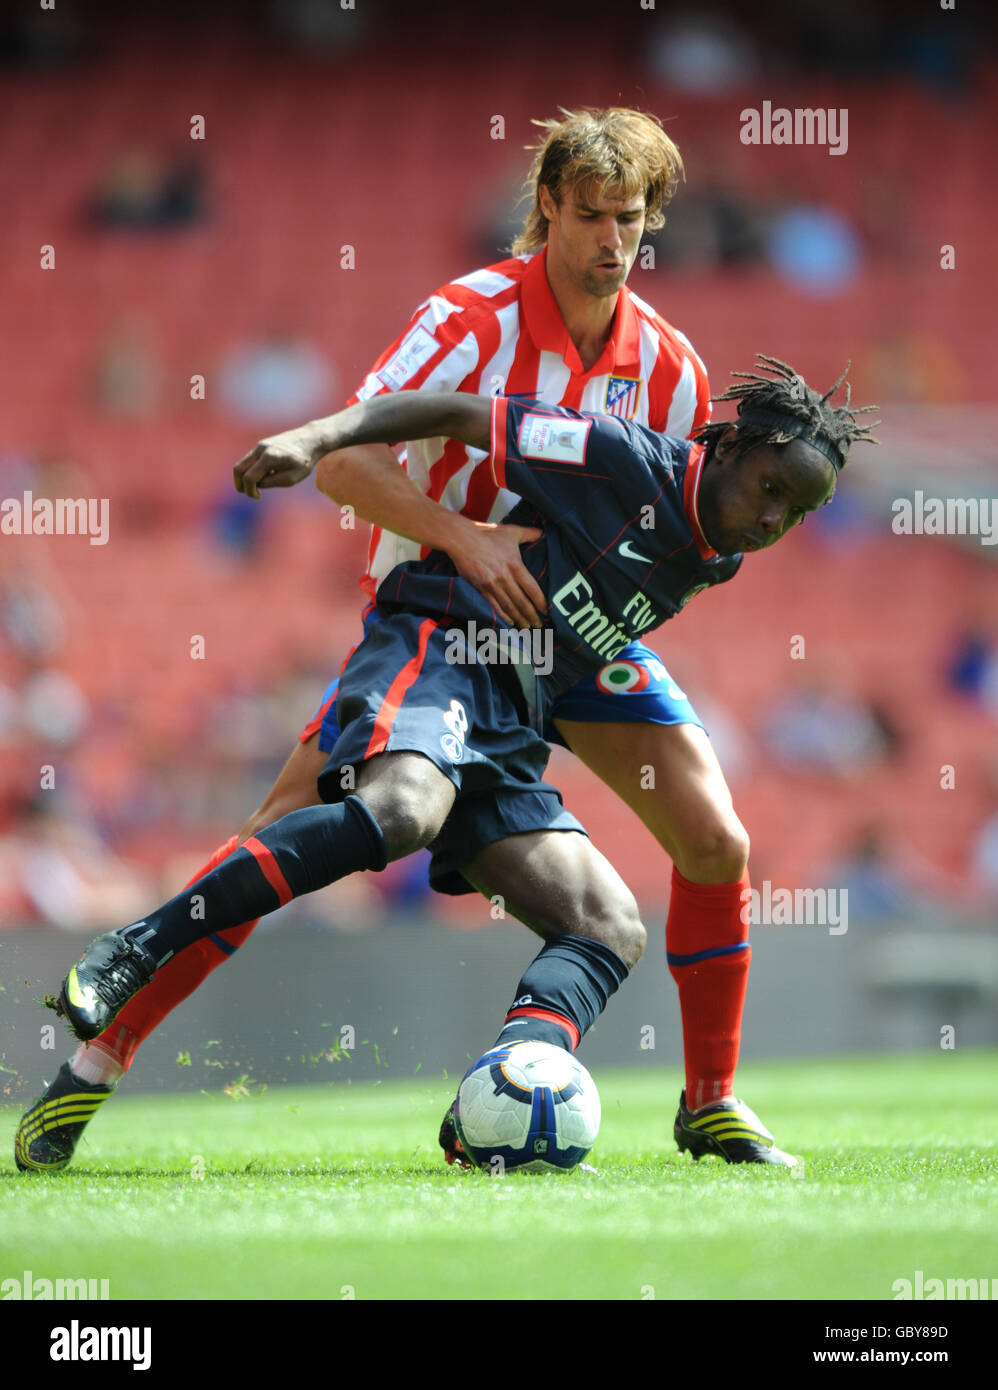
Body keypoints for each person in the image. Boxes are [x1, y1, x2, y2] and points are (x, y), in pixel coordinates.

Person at [17, 107, 794, 1171]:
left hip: (565, 642)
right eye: (588, 216)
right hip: (447, 610)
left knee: (715, 838)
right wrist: (461, 538)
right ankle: (96, 1064)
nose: (611, 240)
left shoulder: (669, 372)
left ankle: (708, 1099)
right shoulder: (472, 316)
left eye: (631, 218)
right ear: (546, 210)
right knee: (302, 818)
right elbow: (343, 460)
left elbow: (669, 526)